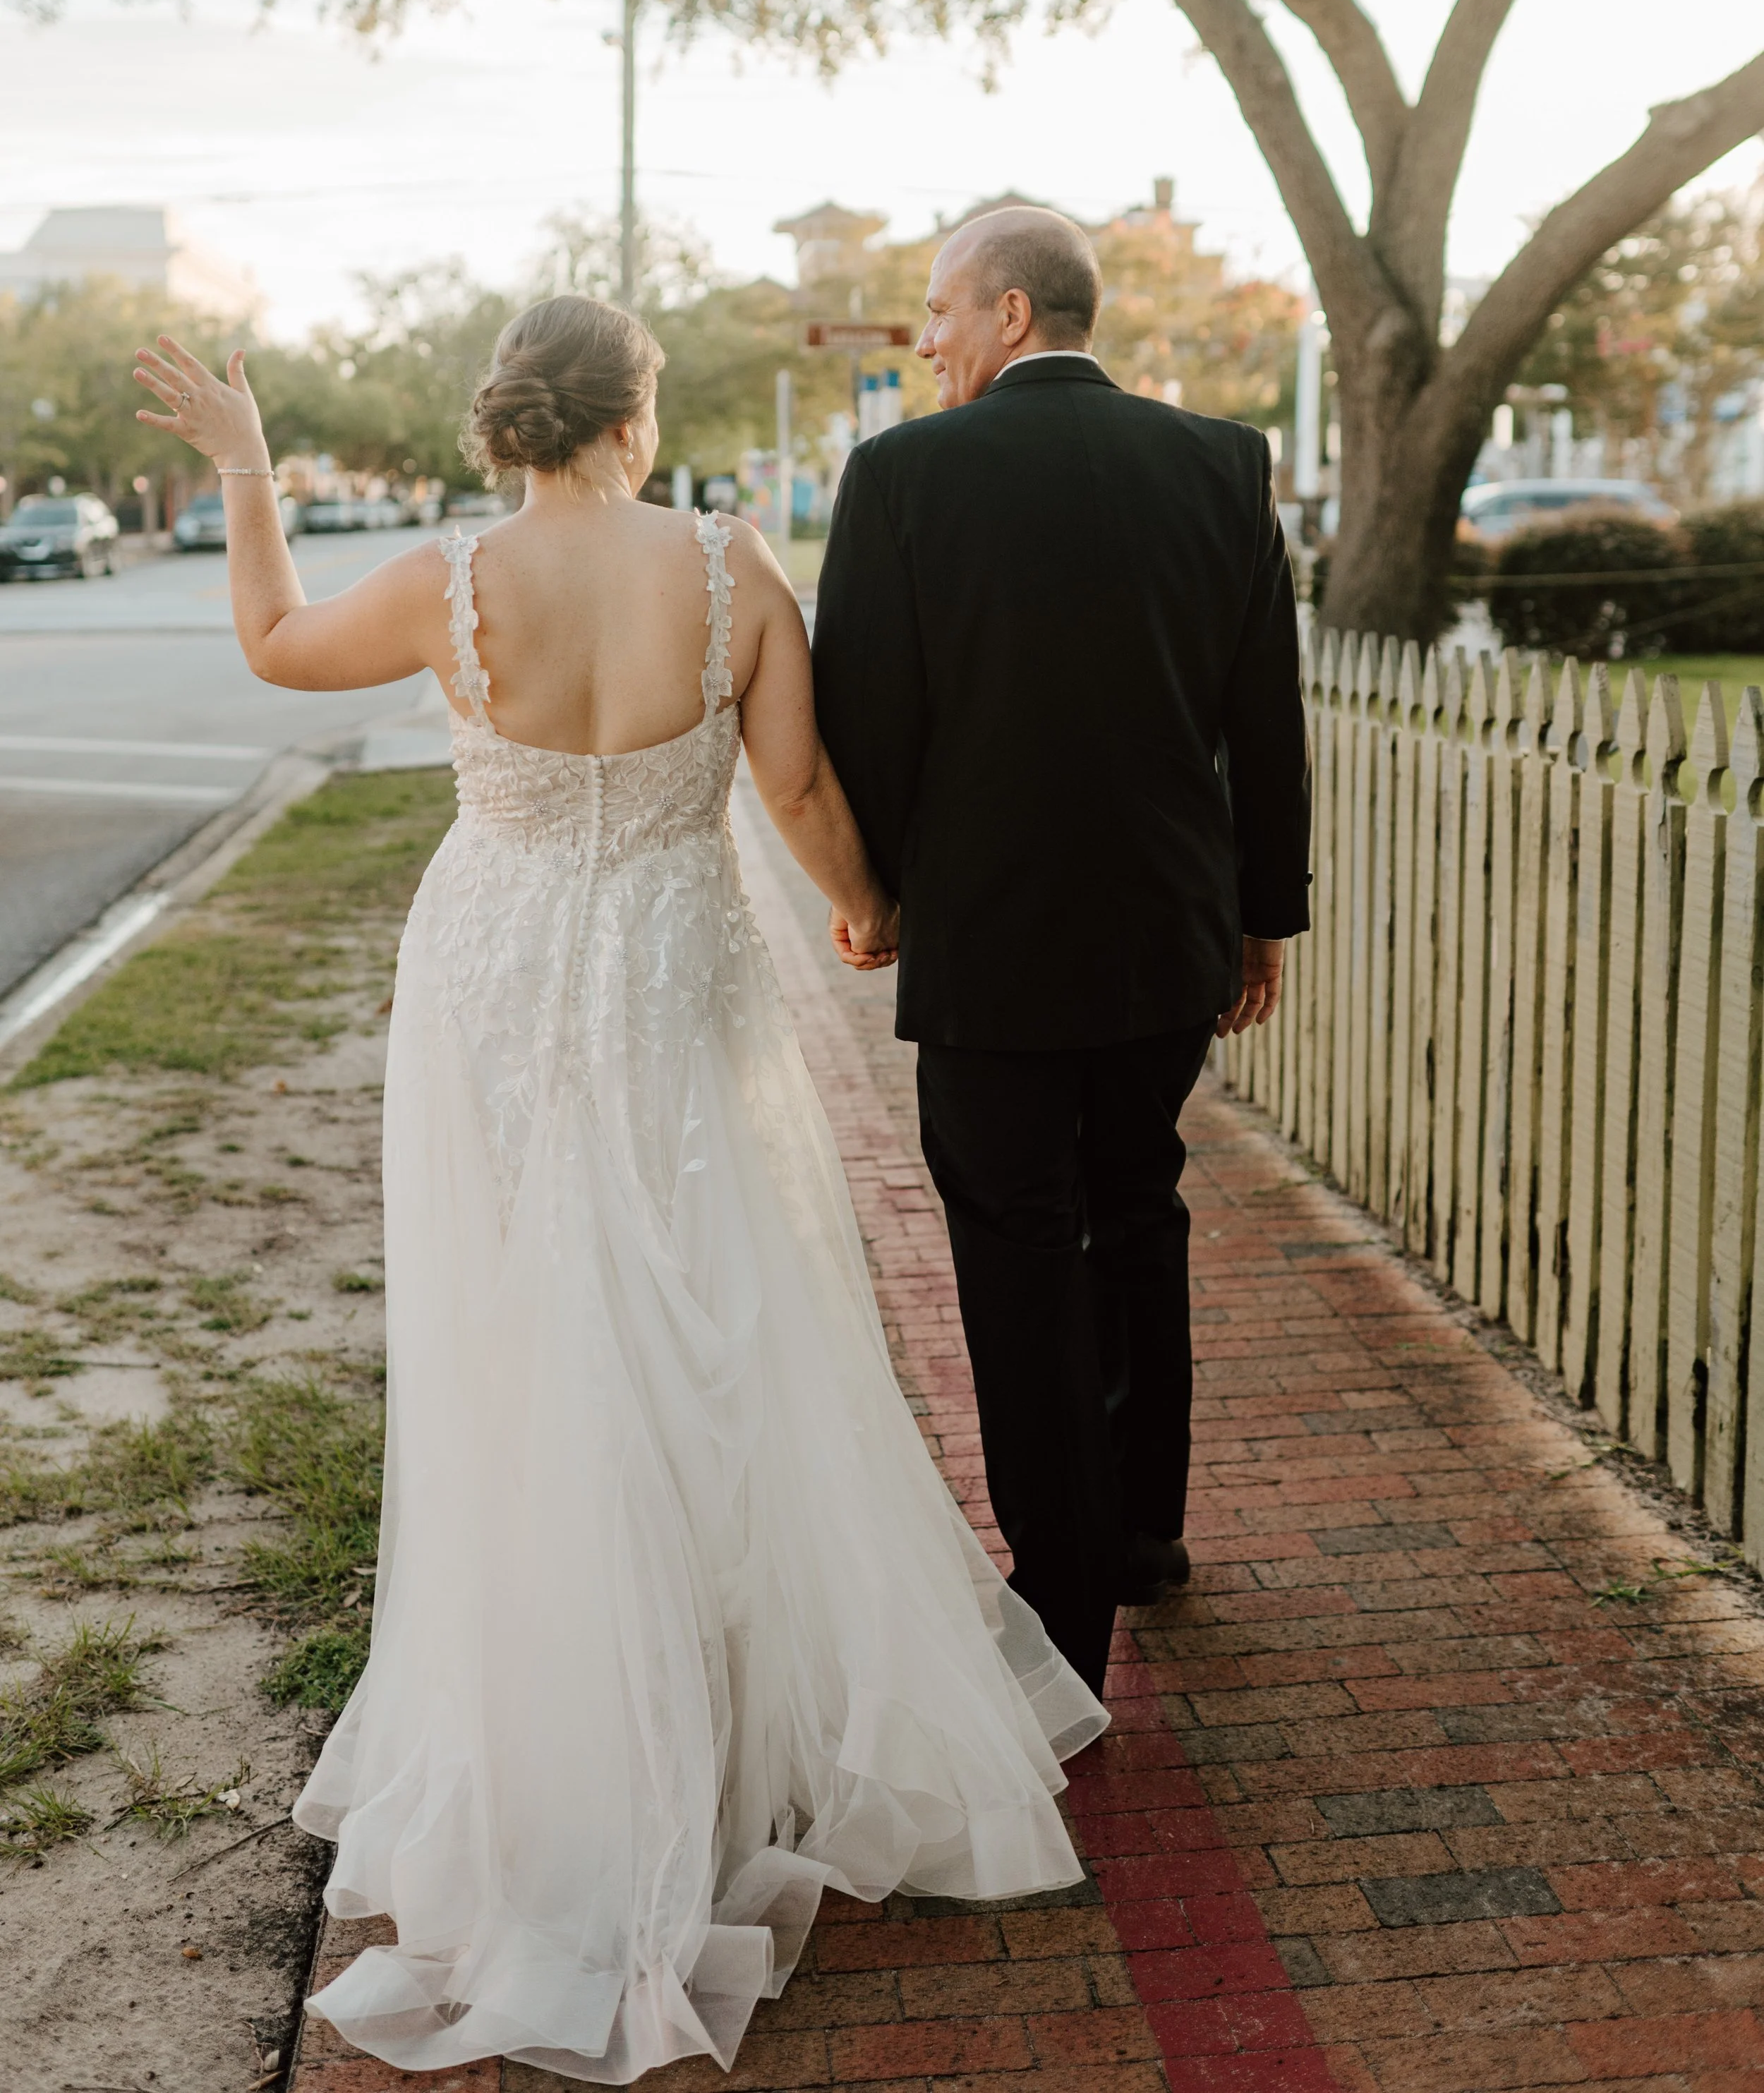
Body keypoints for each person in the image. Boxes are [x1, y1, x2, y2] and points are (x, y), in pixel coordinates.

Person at [132, 302, 1106, 2087]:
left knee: (530, 1323)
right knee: (713, 1306)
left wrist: (248, 470)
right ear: (635, 414)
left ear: (513, 418)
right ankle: (717, 1709)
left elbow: (271, 641)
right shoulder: (732, 567)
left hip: (495, 976)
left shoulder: (450, 577)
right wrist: (869, 907)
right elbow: (795, 784)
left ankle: (575, 1730)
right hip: (670, 971)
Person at [812, 207, 1312, 1699]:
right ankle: (1144, 1532)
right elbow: (1262, 719)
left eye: (938, 311)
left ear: (1012, 312)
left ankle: (1062, 1597)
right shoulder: (1221, 464)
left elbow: (865, 718)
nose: (925, 339)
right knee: (1134, 1205)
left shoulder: (901, 477)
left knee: (1016, 1251)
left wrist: (875, 894)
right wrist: (1259, 912)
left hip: (991, 947)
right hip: (1165, 933)